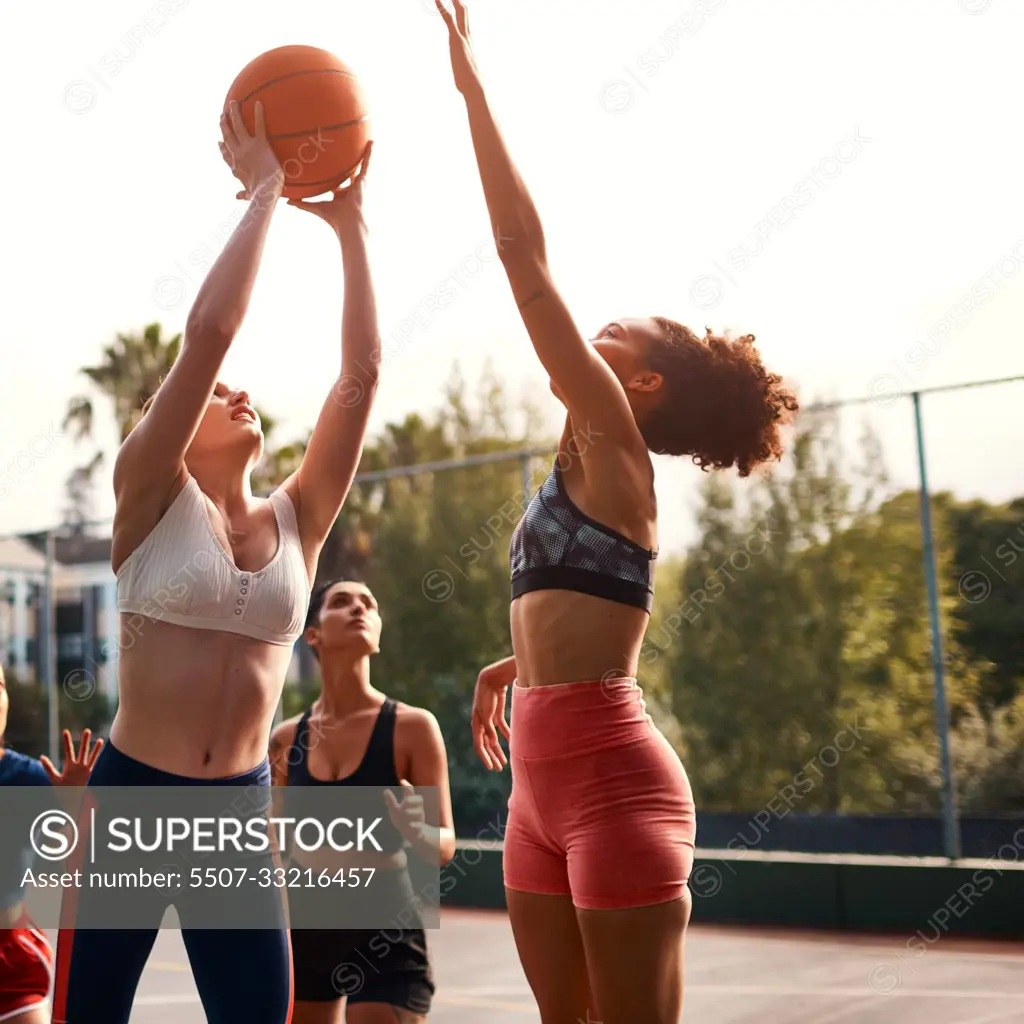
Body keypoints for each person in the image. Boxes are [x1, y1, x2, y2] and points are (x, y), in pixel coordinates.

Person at [430, 3, 799, 1022]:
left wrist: (472, 92)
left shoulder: (617, 443)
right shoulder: (584, 457)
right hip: (536, 793)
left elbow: (519, 257)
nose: (596, 329)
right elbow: (584, 600)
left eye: (617, 332)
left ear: (640, 384)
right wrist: (522, 662)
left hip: (616, 791)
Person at [51, 102, 382, 1024]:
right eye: (211, 399)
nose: (236, 393)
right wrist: (267, 194)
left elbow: (360, 378)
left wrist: (352, 233)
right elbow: (210, 334)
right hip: (132, 803)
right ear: (167, 427)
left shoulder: (300, 519)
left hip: (237, 814)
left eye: (240, 394)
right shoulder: (149, 492)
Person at [270, 579, 456, 1024]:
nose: (359, 609)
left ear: (377, 630)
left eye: (368, 604)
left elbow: (444, 845)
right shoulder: (286, 739)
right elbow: (270, 848)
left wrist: (417, 832)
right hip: (305, 924)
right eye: (341, 602)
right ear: (312, 634)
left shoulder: (413, 727)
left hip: (383, 926)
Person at [0, 666, 103, 1023]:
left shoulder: (26, 779)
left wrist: (72, 809)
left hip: (10, 961)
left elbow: (67, 865)